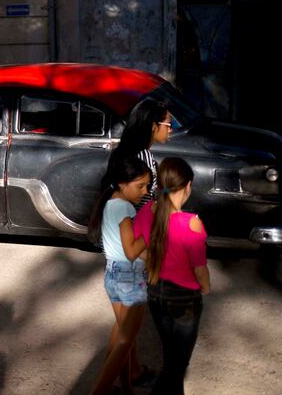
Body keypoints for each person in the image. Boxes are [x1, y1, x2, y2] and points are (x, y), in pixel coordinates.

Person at [134, 157, 210, 395]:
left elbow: (137, 249)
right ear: (187, 186)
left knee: (171, 358)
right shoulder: (192, 223)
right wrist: (205, 288)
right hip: (185, 299)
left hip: (156, 294)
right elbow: (199, 268)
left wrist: (156, 261)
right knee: (178, 365)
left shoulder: (147, 211)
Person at [88, 155, 151, 395]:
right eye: (140, 186)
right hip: (129, 277)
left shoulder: (111, 202)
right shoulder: (125, 208)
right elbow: (133, 250)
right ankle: (100, 391)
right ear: (122, 183)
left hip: (112, 274)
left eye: (146, 185)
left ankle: (125, 386)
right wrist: (152, 233)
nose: (144, 191)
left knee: (122, 339)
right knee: (125, 342)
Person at [105, 98, 172, 210]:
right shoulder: (143, 155)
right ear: (153, 127)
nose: (170, 130)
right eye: (168, 124)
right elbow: (144, 199)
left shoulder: (123, 150)